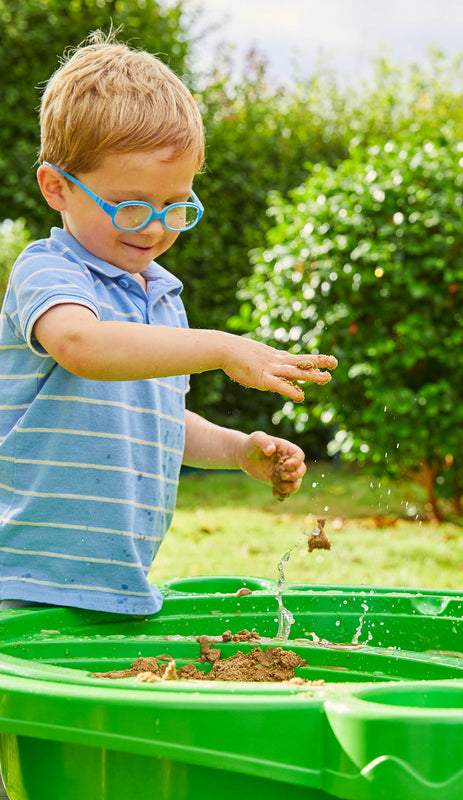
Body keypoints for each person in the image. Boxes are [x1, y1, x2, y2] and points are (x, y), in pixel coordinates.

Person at [0, 35, 338, 618]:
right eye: (130, 206)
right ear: (56, 186)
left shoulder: (163, 297)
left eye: (176, 206)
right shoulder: (48, 271)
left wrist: (237, 450)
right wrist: (220, 347)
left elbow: (155, 415)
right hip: (23, 582)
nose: (155, 228)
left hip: (118, 589)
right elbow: (82, 346)